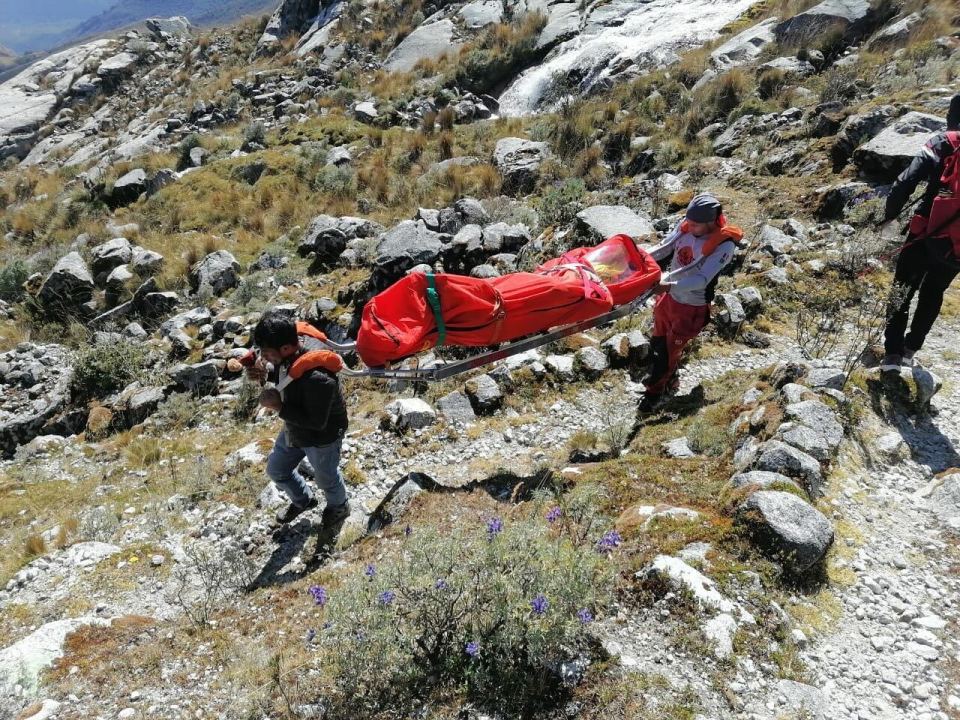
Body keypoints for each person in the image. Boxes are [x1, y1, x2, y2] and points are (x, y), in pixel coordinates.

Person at [639, 193, 744, 413]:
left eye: (696, 224)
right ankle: (670, 379)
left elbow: (701, 280)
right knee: (659, 342)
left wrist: (667, 286)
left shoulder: (723, 246)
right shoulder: (687, 226)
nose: (690, 226)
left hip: (690, 308)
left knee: (666, 353)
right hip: (667, 298)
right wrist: (636, 259)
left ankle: (654, 395)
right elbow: (664, 248)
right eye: (689, 222)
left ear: (711, 222)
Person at [247, 310, 351, 526]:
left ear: (285, 348)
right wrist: (263, 372)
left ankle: (339, 507)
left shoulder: (318, 378)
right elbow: (283, 373)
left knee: (326, 478)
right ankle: (303, 500)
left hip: (323, 435)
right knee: (277, 470)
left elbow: (316, 422)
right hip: (294, 426)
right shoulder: (288, 350)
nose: (263, 356)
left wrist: (278, 406)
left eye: (266, 353)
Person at [880, 94, 960, 370]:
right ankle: (910, 349)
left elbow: (905, 182)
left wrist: (890, 218)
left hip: (926, 229)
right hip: (957, 246)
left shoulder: (943, 142)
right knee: (934, 290)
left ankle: (892, 354)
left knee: (903, 287)